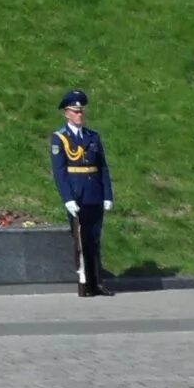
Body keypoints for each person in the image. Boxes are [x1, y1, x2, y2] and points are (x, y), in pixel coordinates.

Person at [50, 89, 114, 297]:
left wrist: (107, 195)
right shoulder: (60, 139)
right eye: (75, 111)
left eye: (81, 111)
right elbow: (60, 173)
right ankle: (84, 283)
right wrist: (67, 198)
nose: (79, 115)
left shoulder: (92, 136)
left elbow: (102, 167)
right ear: (66, 113)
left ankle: (98, 283)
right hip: (77, 195)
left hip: (94, 193)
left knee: (95, 239)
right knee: (81, 240)